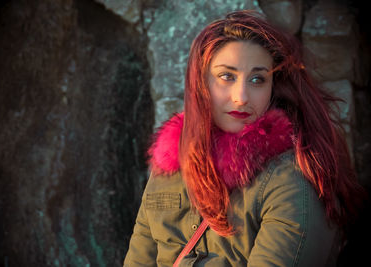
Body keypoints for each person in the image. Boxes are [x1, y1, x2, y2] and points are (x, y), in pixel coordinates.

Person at [123, 10, 365, 267]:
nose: (241, 96)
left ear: (274, 88)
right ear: (200, 84)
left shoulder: (293, 180)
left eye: (257, 79)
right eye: (226, 76)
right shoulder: (168, 167)